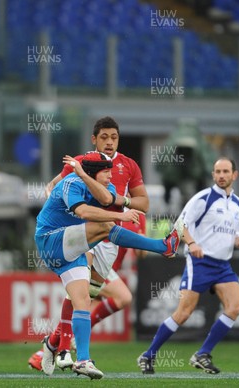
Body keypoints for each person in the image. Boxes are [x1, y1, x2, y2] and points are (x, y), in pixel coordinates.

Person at [34, 151, 183, 379]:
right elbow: (83, 211)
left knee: (82, 299)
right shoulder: (71, 183)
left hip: (73, 246)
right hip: (50, 240)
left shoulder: (108, 189)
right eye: (107, 172)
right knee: (106, 227)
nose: (111, 177)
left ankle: (80, 359)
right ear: (93, 173)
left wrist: (116, 203)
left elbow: (107, 200)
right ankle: (163, 246)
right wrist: (120, 214)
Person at [28, 116, 150, 371]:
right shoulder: (81, 163)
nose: (109, 142)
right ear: (94, 139)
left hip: (109, 239)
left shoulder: (128, 165)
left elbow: (144, 204)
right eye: (104, 137)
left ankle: (52, 345)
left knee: (97, 297)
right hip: (85, 230)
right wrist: (62, 218)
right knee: (79, 291)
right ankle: (65, 351)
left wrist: (121, 202)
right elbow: (53, 187)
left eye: (114, 137)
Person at [137, 157, 239, 375]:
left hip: (223, 265)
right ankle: (148, 355)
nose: (221, 175)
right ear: (213, 175)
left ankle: (202, 354)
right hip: (200, 262)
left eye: (226, 171)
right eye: (217, 171)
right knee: (184, 313)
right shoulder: (203, 198)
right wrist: (191, 242)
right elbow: (181, 224)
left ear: (234, 175)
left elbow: (238, 235)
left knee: (235, 308)